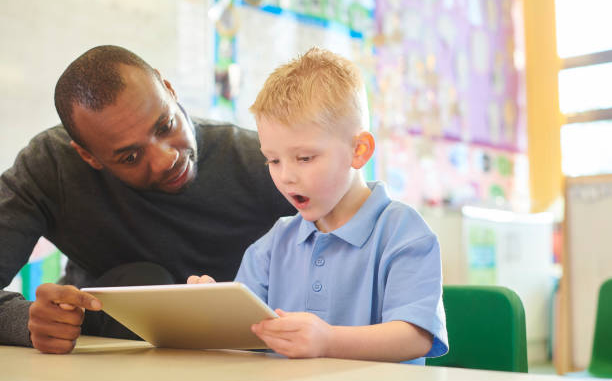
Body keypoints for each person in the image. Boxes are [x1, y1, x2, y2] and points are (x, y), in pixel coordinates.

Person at [0, 45, 294, 354]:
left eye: (165, 126)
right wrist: (27, 321)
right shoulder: (50, 167)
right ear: (89, 157)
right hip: (104, 357)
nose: (166, 159)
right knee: (143, 279)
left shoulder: (262, 162)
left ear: (168, 89)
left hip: (241, 356)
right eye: (130, 156)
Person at [189, 47, 448, 363]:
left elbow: (415, 338)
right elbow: (245, 333)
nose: (286, 177)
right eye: (272, 160)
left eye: (304, 158)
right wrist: (209, 312)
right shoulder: (273, 244)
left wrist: (328, 341)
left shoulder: (403, 232)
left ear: (359, 150)